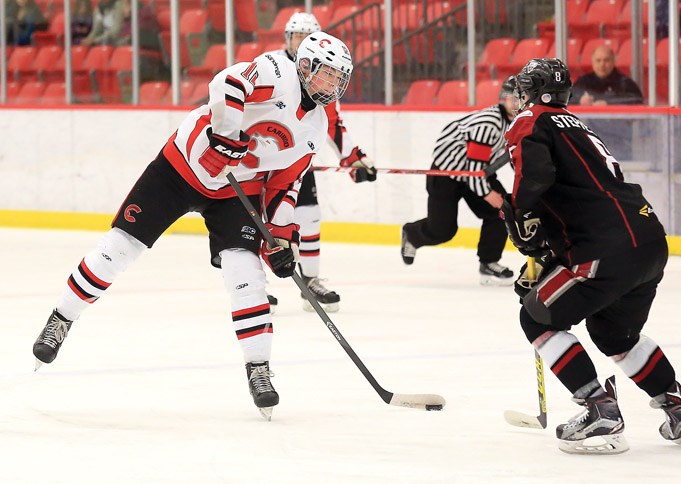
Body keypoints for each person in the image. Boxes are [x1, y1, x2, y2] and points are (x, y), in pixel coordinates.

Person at [32, 31, 353, 421]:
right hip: (182, 166)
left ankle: (259, 368)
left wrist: (282, 237)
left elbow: (287, 183)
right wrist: (226, 135)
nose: (332, 85)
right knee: (120, 248)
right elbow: (227, 83)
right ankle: (61, 319)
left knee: (246, 274)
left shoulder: (316, 127)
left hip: (237, 190)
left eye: (339, 78)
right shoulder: (276, 70)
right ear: (304, 66)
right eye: (326, 75)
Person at [502, 58, 681, 454]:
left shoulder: (530, 120)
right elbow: (579, 196)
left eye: (523, 90)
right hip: (648, 241)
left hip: (605, 249)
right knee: (615, 335)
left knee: (535, 317)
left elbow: (534, 180)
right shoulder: (576, 126)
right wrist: (545, 255)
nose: (518, 98)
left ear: (534, 92)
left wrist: (520, 218)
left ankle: (599, 409)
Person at [263, 12, 377, 313]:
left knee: (310, 215)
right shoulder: (271, 64)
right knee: (256, 223)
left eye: (305, 36)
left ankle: (310, 282)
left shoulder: (324, 72)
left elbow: (331, 120)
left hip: (297, 158)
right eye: (295, 36)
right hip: (261, 158)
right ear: (288, 38)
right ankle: (256, 287)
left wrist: (354, 159)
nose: (299, 41)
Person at [400, 76, 517, 286]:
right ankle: (412, 234)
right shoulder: (489, 123)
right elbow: (473, 171)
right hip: (447, 175)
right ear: (503, 99)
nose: (518, 104)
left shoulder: (515, 123)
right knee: (443, 230)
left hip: (477, 172)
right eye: (513, 99)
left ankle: (489, 262)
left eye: (522, 99)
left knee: (502, 212)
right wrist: (490, 195)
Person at [571, 45, 643, 106]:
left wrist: (608, 103)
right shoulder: (584, 81)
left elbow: (637, 99)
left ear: (613, 61)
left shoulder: (624, 82)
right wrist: (580, 99)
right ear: (593, 62)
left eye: (606, 60)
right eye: (598, 60)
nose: (602, 64)